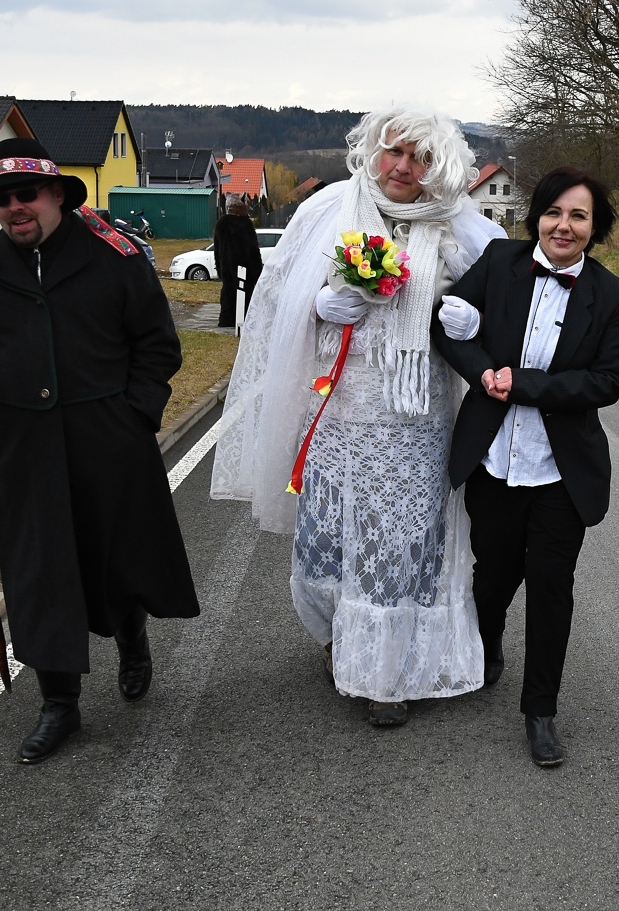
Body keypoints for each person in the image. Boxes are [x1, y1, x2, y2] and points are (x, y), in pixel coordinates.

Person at [210, 104, 504, 725]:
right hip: (337, 413)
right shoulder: (328, 210)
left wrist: (470, 320)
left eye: (420, 157)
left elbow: (504, 308)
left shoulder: (462, 228)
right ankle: (337, 635)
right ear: (372, 150)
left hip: (416, 420)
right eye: (394, 151)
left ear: (438, 166)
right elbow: (277, 298)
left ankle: (387, 674)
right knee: (331, 538)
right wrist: (321, 304)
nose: (403, 166)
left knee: (401, 546)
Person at [0, 137, 200, 764]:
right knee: (41, 568)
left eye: (25, 195)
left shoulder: (115, 254)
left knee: (116, 557)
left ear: (56, 194)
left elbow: (158, 345)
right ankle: (59, 704)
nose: (13, 208)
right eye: (1, 200)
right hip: (27, 447)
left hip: (111, 439)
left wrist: (136, 415)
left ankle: (132, 638)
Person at [430, 167, 619, 767]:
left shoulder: (612, 295)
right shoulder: (500, 261)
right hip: (493, 458)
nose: (563, 226)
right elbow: (447, 324)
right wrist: (481, 372)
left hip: (559, 470)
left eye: (579, 216)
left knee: (551, 586)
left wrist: (523, 384)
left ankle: (540, 710)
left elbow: (607, 381)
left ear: (595, 227)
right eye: (553, 213)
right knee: (493, 573)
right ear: (537, 217)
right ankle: (488, 639)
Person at [214, 193, 264, 328]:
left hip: (226, 268)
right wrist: (258, 272)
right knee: (245, 295)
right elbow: (252, 251)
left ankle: (226, 320)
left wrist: (220, 269)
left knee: (228, 293)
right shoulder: (245, 224)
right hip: (244, 269)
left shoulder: (221, 224)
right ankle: (244, 320)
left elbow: (217, 250)